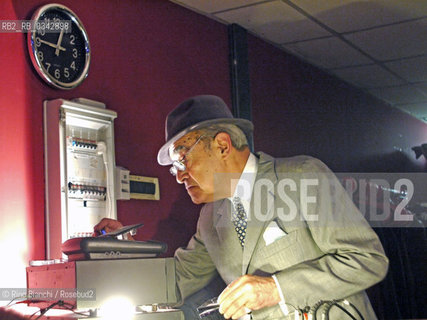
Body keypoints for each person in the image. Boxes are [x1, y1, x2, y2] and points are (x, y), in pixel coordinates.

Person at [95, 95, 389, 320]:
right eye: (175, 168)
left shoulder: (301, 176)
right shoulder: (210, 218)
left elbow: (367, 259)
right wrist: (126, 253)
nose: (180, 175)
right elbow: (178, 278)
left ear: (223, 145)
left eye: (183, 160)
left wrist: (275, 289)